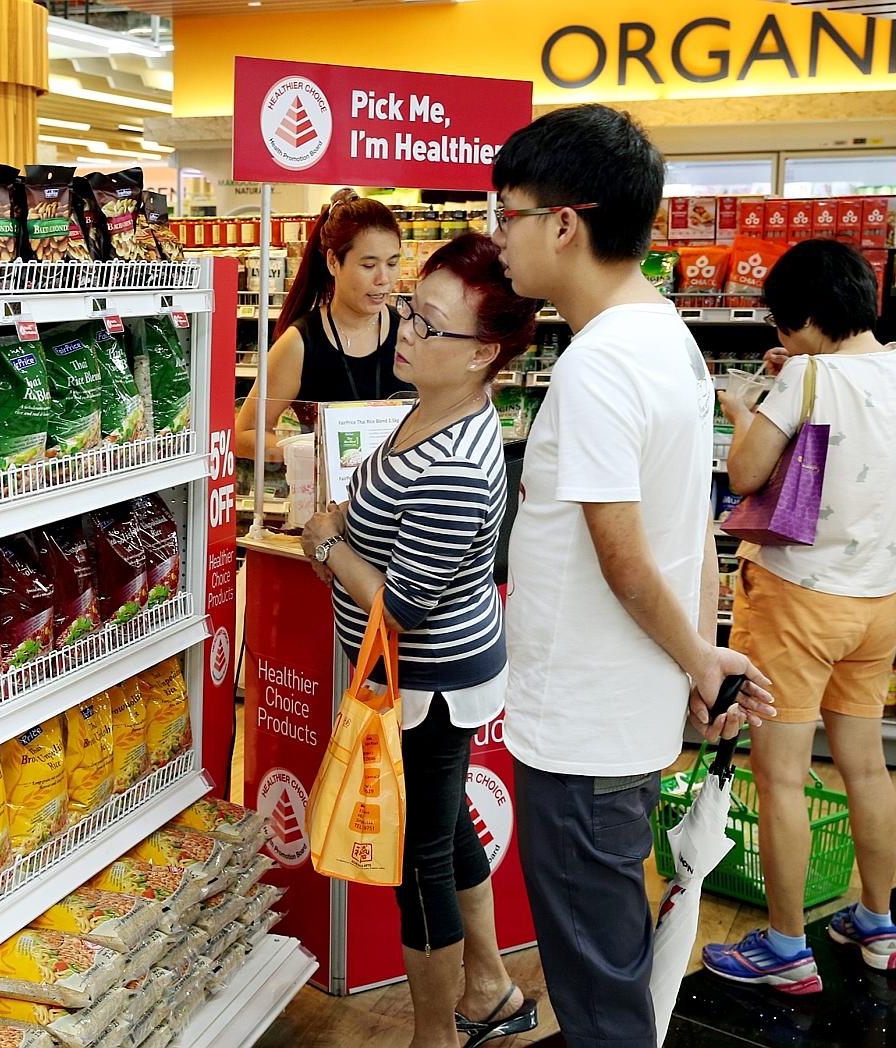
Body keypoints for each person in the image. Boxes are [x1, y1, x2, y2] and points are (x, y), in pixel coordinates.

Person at [492, 104, 776, 1048]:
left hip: (580, 724)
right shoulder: (670, 340)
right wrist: (698, 659)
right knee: (613, 952)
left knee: (599, 988)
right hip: (627, 711)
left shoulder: (601, 362)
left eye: (508, 215)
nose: (499, 240)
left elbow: (623, 558)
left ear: (564, 223)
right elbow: (688, 526)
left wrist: (699, 656)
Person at [301, 234, 540, 1048]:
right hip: (423, 676)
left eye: (430, 325)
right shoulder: (430, 406)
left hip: (428, 682)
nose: (407, 330)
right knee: (439, 831)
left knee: (418, 864)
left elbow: (399, 606)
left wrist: (329, 546)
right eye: (412, 309)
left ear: (483, 354)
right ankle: (493, 984)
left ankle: (437, 1034)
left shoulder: (457, 464)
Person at [701, 239, 896, 992]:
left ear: (804, 317)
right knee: (866, 765)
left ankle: (786, 945)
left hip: (798, 600)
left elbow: (744, 472)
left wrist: (744, 406)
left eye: (782, 324)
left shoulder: (804, 375)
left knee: (784, 780)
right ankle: (877, 922)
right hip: (878, 602)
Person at [235, 189, 404, 462]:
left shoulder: (410, 333)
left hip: (402, 500)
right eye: (368, 265)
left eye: (393, 263)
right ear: (333, 261)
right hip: (326, 502)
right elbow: (245, 434)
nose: (384, 278)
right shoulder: (300, 343)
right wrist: (314, 455)